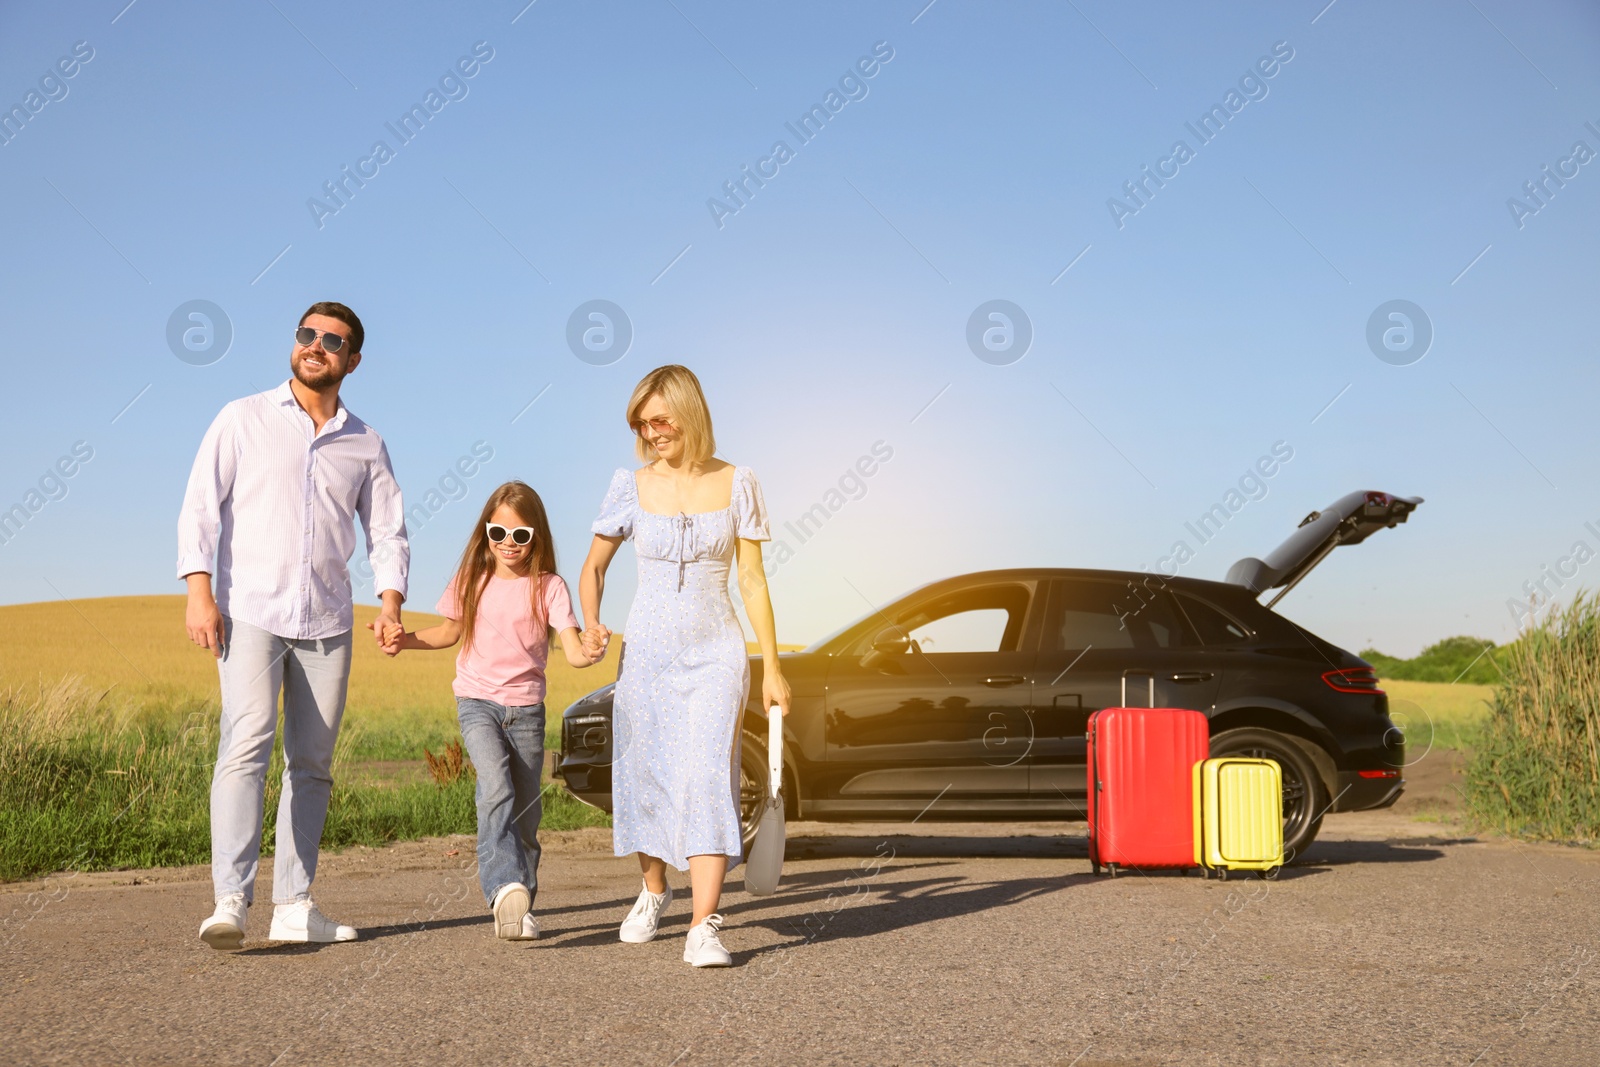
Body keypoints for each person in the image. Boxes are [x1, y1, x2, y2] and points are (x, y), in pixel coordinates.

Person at [179, 301, 409, 950]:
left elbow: (387, 529)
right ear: (295, 344)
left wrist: (390, 604)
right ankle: (230, 898)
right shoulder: (241, 417)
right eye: (307, 334)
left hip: (328, 621)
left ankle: (293, 906)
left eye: (332, 341)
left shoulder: (365, 442)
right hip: (249, 609)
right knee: (247, 741)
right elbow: (201, 507)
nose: (316, 345)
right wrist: (200, 592)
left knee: (311, 762)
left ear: (352, 360)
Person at [579, 364, 790, 968]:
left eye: (661, 419)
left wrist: (772, 667)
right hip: (646, 650)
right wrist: (592, 622)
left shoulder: (738, 481)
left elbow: (751, 579)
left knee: (705, 773)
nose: (652, 432)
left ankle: (704, 924)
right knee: (646, 771)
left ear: (689, 412)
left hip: (716, 650)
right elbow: (592, 569)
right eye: (642, 424)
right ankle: (652, 890)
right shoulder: (629, 483)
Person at [378, 481, 603, 941]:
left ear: (536, 536)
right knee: (495, 786)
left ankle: (519, 908)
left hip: (527, 712)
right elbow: (448, 633)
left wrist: (593, 648)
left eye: (520, 536)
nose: (508, 544)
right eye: (498, 532)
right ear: (485, 532)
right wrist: (406, 639)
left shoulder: (550, 588)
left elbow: (575, 652)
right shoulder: (472, 579)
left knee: (525, 816)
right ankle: (502, 887)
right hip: (477, 702)